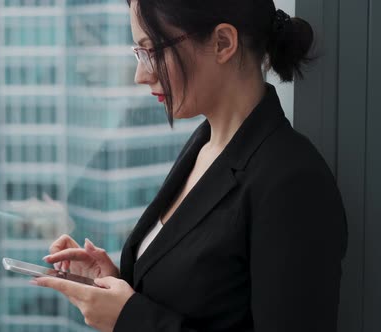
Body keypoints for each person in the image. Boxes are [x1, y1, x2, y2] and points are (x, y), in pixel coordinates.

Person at [30, 0, 348, 331]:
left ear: (223, 43)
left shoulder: (292, 182)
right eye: (139, 53)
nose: (141, 74)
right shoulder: (204, 145)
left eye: (152, 51)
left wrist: (129, 319)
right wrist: (114, 284)